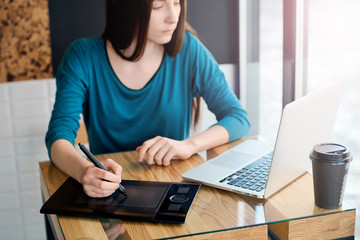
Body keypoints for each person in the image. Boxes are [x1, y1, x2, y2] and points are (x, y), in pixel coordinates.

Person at [45, 0, 250, 198]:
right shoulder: (82, 56)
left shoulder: (190, 50)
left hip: (173, 190)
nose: (173, 18)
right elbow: (58, 137)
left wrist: (189, 145)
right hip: (112, 194)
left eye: (177, 3)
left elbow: (238, 118)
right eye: (157, 6)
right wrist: (84, 171)